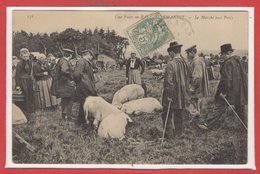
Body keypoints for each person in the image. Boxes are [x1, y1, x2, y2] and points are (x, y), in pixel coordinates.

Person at [205, 43, 248, 128]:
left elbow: (226, 80)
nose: (222, 56)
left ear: (227, 53)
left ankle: (208, 125)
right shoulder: (238, 61)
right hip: (239, 91)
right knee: (240, 109)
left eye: (223, 54)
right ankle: (246, 127)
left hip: (230, 91)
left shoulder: (228, 63)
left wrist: (224, 92)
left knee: (220, 106)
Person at [161, 42, 190, 139]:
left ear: (173, 52)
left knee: (166, 114)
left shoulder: (171, 64)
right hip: (183, 93)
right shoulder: (185, 62)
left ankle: (169, 135)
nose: (169, 55)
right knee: (179, 113)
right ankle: (179, 134)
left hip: (173, 94)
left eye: (170, 52)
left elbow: (169, 81)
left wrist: (169, 95)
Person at [73, 50, 98, 125]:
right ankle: (82, 121)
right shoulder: (81, 62)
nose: (91, 57)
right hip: (84, 86)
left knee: (85, 102)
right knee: (84, 102)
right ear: (87, 55)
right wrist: (79, 82)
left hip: (87, 85)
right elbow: (76, 74)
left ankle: (83, 120)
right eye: (91, 56)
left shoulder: (85, 62)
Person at [51, 48, 75, 120]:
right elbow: (64, 71)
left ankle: (64, 116)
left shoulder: (61, 60)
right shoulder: (64, 61)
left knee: (65, 99)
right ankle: (68, 115)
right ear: (70, 55)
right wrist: (71, 76)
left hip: (61, 83)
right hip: (65, 83)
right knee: (70, 99)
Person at [185, 45, 209, 116]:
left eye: (188, 53)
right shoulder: (197, 60)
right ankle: (198, 122)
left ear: (192, 52)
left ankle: (197, 123)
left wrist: (192, 88)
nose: (187, 55)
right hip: (198, 90)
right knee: (198, 108)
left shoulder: (197, 62)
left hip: (197, 90)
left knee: (196, 108)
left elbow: (198, 77)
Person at [15, 48, 34, 114]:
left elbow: (29, 72)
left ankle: (30, 109)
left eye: (27, 56)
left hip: (28, 80)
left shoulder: (30, 62)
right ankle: (24, 110)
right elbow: (17, 75)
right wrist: (17, 85)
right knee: (25, 95)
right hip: (22, 81)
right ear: (21, 56)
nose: (26, 57)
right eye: (24, 56)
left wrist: (30, 78)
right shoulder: (19, 64)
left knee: (30, 94)